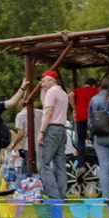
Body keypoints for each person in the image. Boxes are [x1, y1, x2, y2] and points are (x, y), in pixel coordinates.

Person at [37, 71, 70, 200]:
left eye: (44, 81)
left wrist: (41, 132)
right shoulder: (62, 93)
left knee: (43, 163)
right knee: (60, 164)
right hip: (62, 129)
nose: (42, 84)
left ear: (51, 80)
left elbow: (48, 113)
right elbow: (46, 104)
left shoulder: (51, 92)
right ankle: (62, 195)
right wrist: (42, 90)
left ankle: (53, 195)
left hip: (52, 129)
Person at [68, 77, 99, 172]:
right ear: (94, 85)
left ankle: (81, 165)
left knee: (80, 141)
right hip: (91, 117)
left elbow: (69, 96)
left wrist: (75, 108)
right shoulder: (95, 90)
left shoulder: (78, 90)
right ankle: (99, 160)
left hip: (80, 117)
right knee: (95, 139)